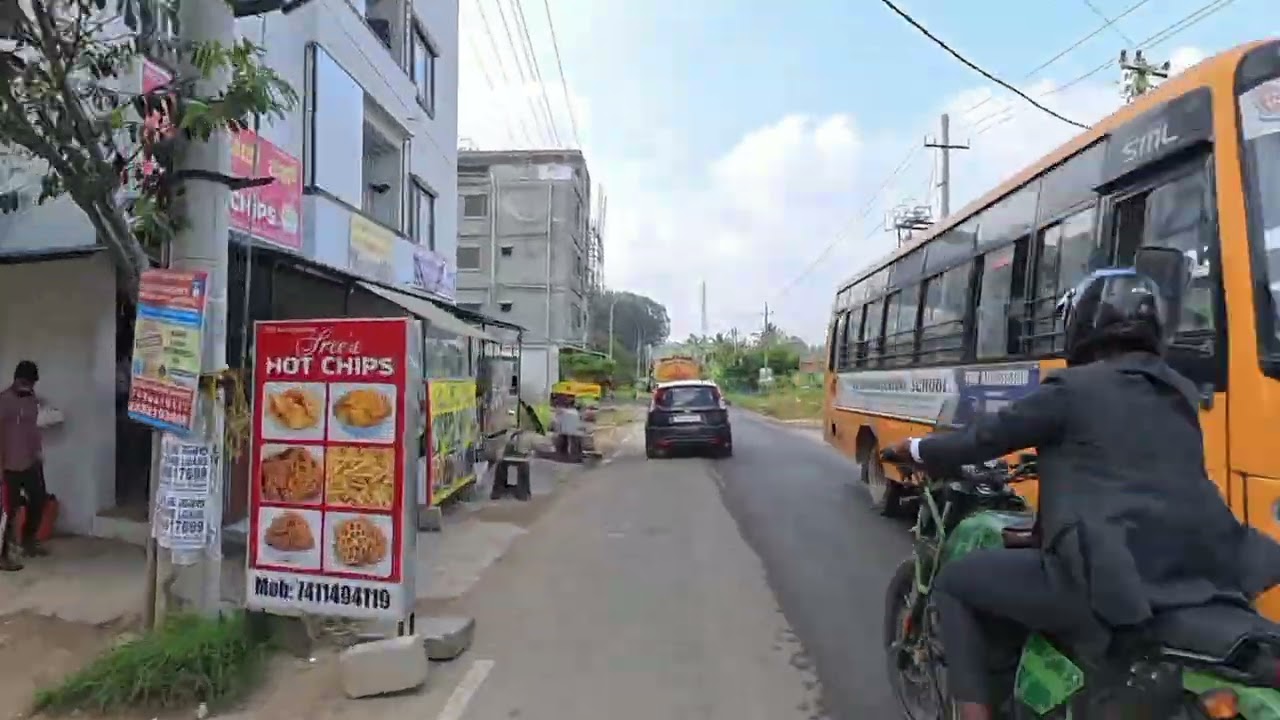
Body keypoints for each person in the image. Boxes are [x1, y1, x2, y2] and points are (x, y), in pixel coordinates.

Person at [881, 268, 1280, 720]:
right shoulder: (1178, 394)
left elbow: (983, 439)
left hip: (1106, 580)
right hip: (1195, 573)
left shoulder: (1071, 389)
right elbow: (1120, 483)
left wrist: (913, 448)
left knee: (955, 584)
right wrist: (1040, 533)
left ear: (1083, 326)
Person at [0, 360, 51, 569]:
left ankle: (28, 541)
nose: (29, 387)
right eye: (26, 383)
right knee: (7, 512)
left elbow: (33, 429)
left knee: (39, 500)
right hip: (7, 465)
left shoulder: (32, 401)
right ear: (17, 380)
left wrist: (38, 451)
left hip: (30, 462)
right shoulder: (3, 401)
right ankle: (3, 556)